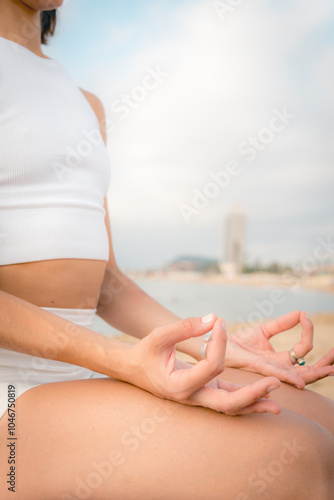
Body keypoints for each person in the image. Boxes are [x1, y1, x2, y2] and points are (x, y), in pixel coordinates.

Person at [0, 1, 333, 499]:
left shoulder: (85, 104)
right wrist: (124, 361)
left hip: (85, 374)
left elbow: (108, 285)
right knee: (294, 457)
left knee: (321, 418)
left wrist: (216, 344)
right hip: (9, 398)